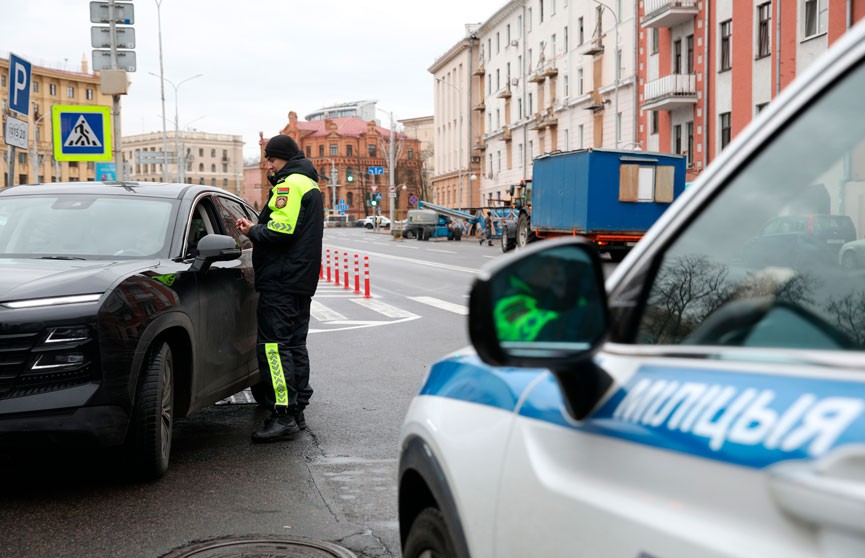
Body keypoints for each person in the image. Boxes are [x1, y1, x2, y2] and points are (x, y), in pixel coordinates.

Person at [236, 134, 323, 443]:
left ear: (282, 158)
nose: (268, 165)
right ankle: (297, 410)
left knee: (273, 347)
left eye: (271, 159)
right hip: (300, 280)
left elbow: (281, 230)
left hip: (281, 279)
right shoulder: (310, 183)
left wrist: (253, 230)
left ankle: (282, 413)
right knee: (294, 345)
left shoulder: (290, 183)